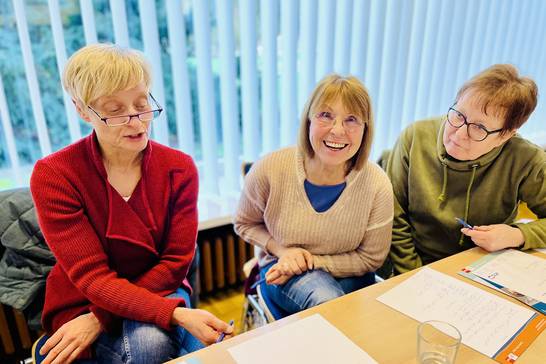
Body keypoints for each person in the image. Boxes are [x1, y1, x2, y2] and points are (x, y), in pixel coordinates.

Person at [30, 44, 232, 364]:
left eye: (142, 104)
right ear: (83, 111)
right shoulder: (55, 175)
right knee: (154, 346)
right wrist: (174, 316)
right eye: (115, 111)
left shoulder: (179, 169)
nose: (137, 123)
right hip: (84, 297)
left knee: (173, 346)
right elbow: (93, 278)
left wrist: (100, 319)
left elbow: (175, 263)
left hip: (159, 287)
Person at [234, 74, 393, 315]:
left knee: (358, 315)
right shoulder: (271, 168)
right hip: (282, 270)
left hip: (350, 274)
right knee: (331, 306)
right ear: (308, 120)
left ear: (365, 129)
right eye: (326, 115)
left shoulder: (377, 184)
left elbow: (371, 259)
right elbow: (243, 223)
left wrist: (312, 261)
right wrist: (283, 251)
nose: (337, 131)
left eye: (351, 119)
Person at [387, 64, 546, 275]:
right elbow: (393, 221)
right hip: (416, 263)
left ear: (505, 135)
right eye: (458, 115)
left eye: (479, 127)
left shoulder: (525, 159)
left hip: (483, 267)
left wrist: (517, 235)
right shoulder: (415, 137)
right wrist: (414, 275)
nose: (459, 134)